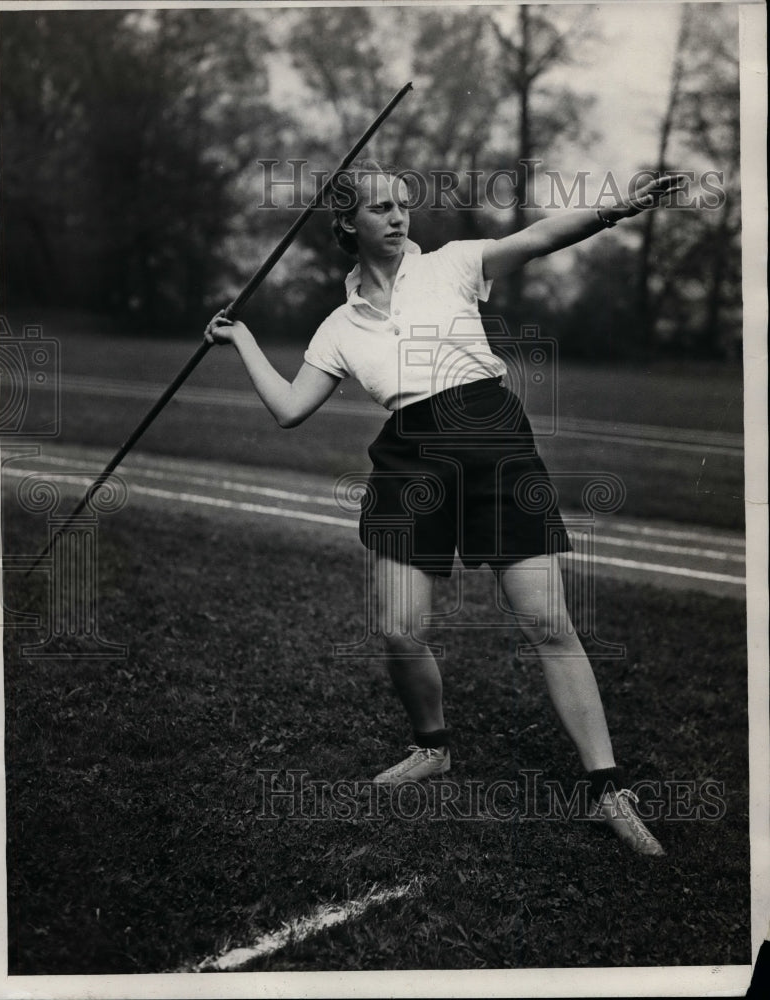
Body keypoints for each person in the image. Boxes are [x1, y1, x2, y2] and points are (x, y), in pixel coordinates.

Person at [204, 160, 683, 857]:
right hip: (408, 460)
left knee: (547, 618)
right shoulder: (338, 326)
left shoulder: (454, 264)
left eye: (403, 205)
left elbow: (540, 237)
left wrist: (616, 210)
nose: (398, 217)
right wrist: (241, 338)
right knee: (399, 628)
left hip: (492, 439)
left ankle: (607, 786)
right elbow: (287, 410)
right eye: (380, 208)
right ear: (348, 223)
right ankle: (432, 747)